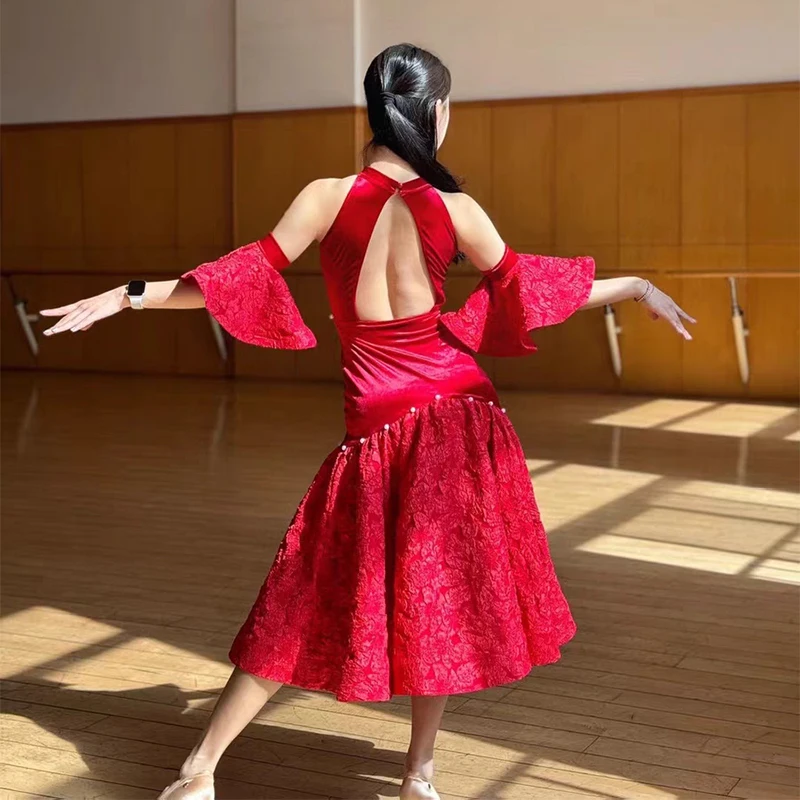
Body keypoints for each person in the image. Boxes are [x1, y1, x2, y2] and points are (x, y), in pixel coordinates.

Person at [40, 43, 694, 800]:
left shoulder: (325, 196)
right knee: (438, 598)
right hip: (461, 416)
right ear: (436, 113)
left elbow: (235, 278)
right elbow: (538, 290)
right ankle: (417, 774)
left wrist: (128, 294)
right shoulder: (455, 208)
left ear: (373, 111)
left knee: (300, 594)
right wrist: (634, 285)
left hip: (381, 426)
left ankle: (202, 770)